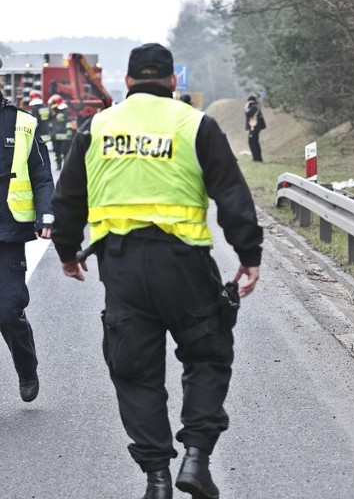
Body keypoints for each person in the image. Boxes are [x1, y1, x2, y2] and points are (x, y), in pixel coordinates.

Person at [50, 43, 263, 499]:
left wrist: (68, 253)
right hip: (184, 266)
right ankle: (196, 460)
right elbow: (231, 193)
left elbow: (68, 200)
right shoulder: (195, 125)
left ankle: (157, 479)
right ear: (172, 82)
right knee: (207, 356)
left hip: (122, 271)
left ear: (127, 82)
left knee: (135, 372)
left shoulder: (97, 127)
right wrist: (249, 254)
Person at [0, 87, 54, 404]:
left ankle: (26, 368)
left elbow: (41, 175)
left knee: (7, 312)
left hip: (7, 234)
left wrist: (45, 215)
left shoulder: (21, 123)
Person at [48, 94, 72, 170]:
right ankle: (58, 165)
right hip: (55, 137)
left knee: (65, 152)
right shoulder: (54, 111)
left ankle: (66, 166)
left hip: (64, 137)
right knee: (56, 152)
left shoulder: (66, 111)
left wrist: (69, 134)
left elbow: (69, 123)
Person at [244, 95, 265, 162]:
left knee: (252, 142)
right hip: (256, 127)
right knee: (254, 142)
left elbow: (248, 114)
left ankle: (256, 158)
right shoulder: (256, 106)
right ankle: (257, 158)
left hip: (254, 127)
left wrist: (246, 108)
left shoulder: (254, 107)